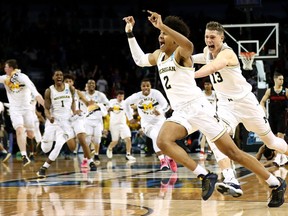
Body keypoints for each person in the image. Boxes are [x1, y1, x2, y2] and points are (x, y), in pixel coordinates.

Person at [124, 11, 286, 206]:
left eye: (165, 34)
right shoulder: (159, 55)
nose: (160, 36)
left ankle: (275, 183)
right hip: (183, 111)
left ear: (175, 38)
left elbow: (189, 46)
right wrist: (129, 33)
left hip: (200, 109)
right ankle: (205, 175)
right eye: (160, 34)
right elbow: (140, 60)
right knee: (163, 140)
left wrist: (162, 26)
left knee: (235, 153)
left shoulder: (181, 53)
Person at [191, 21, 286, 206]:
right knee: (215, 134)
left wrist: (189, 75)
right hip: (226, 107)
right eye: (206, 36)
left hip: (247, 104)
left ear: (221, 38)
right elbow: (194, 59)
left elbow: (211, 67)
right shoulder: (206, 51)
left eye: (212, 37)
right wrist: (177, 60)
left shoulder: (227, 53)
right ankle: (230, 178)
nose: (209, 40)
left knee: (271, 142)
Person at [123, 78, 177, 171]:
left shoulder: (156, 93)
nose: (145, 88)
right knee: (155, 137)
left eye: (147, 85)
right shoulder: (136, 96)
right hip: (146, 123)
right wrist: (130, 117)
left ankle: (169, 158)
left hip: (160, 120)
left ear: (150, 86)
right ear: (141, 87)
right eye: (143, 86)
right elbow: (125, 103)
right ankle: (162, 160)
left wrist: (159, 111)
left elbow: (165, 105)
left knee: (165, 139)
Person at [0, 59, 44, 166]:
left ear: (11, 68)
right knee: (19, 130)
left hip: (27, 109)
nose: (4, 69)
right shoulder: (5, 78)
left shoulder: (22, 77)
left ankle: (33, 148)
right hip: (15, 109)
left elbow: (34, 91)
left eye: (6, 67)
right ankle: (24, 156)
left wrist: (44, 104)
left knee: (30, 134)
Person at [36, 70, 78, 177]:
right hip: (53, 121)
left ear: (62, 77)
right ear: (53, 77)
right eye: (57, 75)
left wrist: (74, 112)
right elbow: (46, 109)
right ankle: (43, 141)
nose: (59, 76)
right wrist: (49, 117)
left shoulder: (70, 88)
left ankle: (43, 168)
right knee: (46, 148)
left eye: (61, 75)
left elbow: (73, 102)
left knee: (59, 145)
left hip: (66, 123)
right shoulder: (49, 91)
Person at [63, 74, 97, 171]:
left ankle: (91, 162)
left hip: (77, 118)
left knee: (82, 139)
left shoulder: (77, 92)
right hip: (66, 121)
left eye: (70, 81)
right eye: (66, 81)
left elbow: (87, 103)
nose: (68, 83)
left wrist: (90, 103)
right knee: (72, 147)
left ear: (73, 83)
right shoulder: (58, 93)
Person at [260, 72, 288, 167]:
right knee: (274, 139)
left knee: (280, 137)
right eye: (280, 79)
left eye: (283, 79)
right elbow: (262, 102)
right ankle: (281, 157)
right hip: (272, 116)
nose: (282, 81)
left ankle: (279, 158)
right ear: (275, 79)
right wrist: (263, 109)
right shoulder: (269, 91)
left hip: (282, 116)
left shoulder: (286, 91)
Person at [83, 79, 109, 163]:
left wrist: (99, 106)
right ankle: (86, 157)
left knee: (97, 139)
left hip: (98, 120)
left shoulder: (100, 95)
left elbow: (108, 104)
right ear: (87, 85)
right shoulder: (83, 94)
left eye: (93, 83)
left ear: (95, 85)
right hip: (87, 120)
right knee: (87, 140)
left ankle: (96, 155)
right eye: (89, 83)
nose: (91, 84)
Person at [106, 90, 136, 161]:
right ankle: (110, 148)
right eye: (119, 96)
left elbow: (131, 113)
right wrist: (109, 109)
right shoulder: (111, 101)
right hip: (113, 125)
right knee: (115, 141)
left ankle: (128, 154)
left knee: (128, 138)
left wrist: (133, 109)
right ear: (116, 96)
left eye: (122, 96)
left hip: (123, 124)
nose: (121, 97)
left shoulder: (126, 103)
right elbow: (106, 109)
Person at [199, 77, 217, 161]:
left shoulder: (215, 93)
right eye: (205, 84)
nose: (206, 86)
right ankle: (203, 151)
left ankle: (209, 151)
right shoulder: (201, 94)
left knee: (211, 134)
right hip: (204, 116)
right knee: (204, 134)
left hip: (213, 116)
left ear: (211, 85)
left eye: (208, 84)